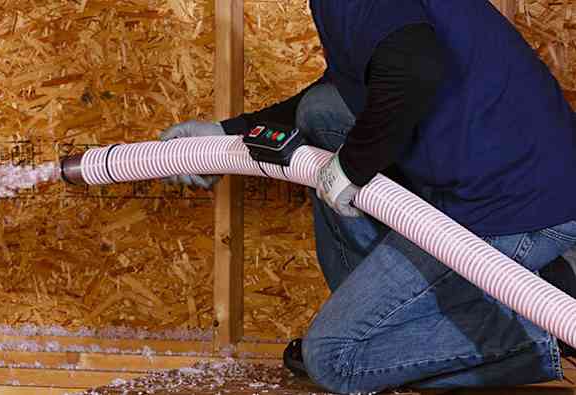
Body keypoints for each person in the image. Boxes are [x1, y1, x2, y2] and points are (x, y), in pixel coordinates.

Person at [160, 0, 576, 392]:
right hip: (492, 180)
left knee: (332, 358)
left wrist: (353, 166)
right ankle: (382, 332)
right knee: (323, 109)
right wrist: (226, 132)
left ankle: (552, 323)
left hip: (518, 205)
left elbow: (414, 67)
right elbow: (352, 87)